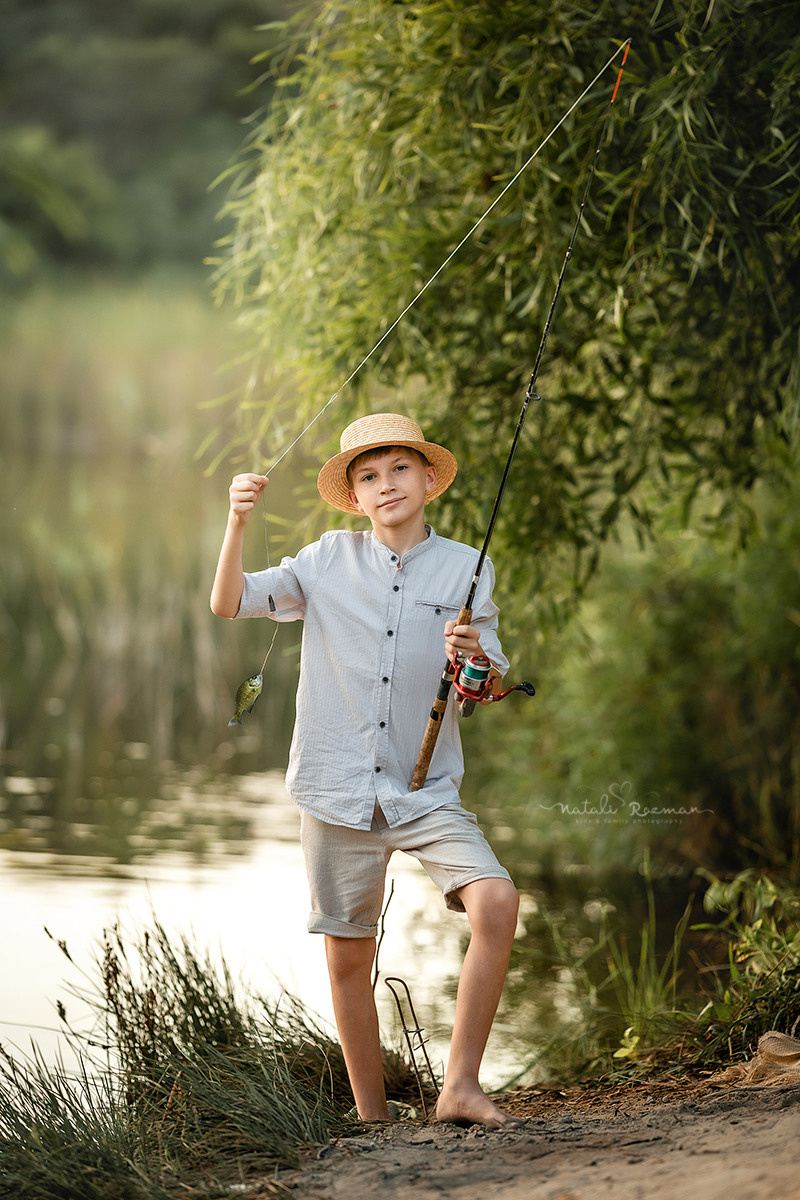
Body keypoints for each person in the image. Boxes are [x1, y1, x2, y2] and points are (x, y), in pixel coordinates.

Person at [210, 412, 520, 1129]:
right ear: (354, 494)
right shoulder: (323, 560)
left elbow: (487, 687)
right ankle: (373, 1119)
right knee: (349, 955)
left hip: (424, 789)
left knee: (497, 902)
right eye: (369, 476)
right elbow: (227, 603)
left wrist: (471, 656)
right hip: (334, 785)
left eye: (399, 469)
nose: (386, 486)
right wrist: (235, 522)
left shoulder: (469, 567)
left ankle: (461, 1086)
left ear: (427, 478)